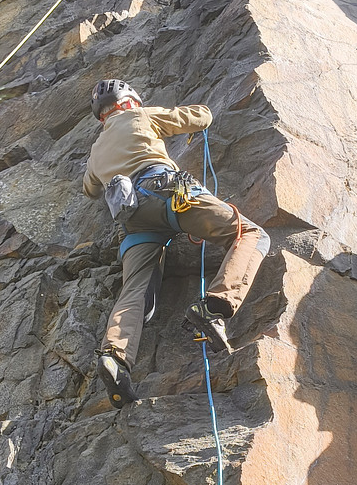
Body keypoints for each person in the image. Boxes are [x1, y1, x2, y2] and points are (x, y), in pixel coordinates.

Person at [82, 79, 270, 408]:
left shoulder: (96, 150)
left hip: (132, 219)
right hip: (166, 193)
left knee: (135, 290)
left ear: (102, 116)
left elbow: (90, 189)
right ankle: (214, 307)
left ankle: (115, 357)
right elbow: (200, 117)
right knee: (251, 233)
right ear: (128, 102)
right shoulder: (139, 115)